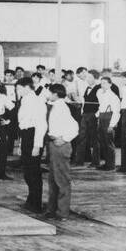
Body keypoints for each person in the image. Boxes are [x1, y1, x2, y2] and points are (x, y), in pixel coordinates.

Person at [43, 84, 77, 220]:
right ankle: (52, 210)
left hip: (60, 145)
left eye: (49, 92)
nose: (48, 94)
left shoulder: (62, 108)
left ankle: (62, 212)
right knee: (53, 179)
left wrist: (64, 139)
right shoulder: (56, 105)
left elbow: (75, 128)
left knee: (61, 179)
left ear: (55, 94)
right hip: (54, 144)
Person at [16, 77, 48, 212]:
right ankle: (31, 200)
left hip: (34, 136)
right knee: (28, 172)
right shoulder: (25, 100)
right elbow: (23, 124)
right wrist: (21, 143)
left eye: (18, 88)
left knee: (34, 172)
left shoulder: (37, 101)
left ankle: (36, 204)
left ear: (26, 87)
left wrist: (37, 145)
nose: (17, 91)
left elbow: (41, 125)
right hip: (26, 136)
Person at [95, 74, 122, 172]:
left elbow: (116, 112)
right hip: (102, 117)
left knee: (109, 143)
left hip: (109, 119)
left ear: (110, 84)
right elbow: (101, 106)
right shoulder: (100, 93)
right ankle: (106, 163)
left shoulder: (113, 96)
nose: (103, 85)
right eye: (101, 83)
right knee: (102, 142)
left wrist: (112, 125)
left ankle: (111, 165)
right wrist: (97, 116)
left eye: (105, 83)